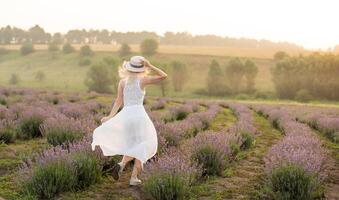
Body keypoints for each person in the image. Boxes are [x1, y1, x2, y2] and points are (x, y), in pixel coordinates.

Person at [91, 55, 167, 186]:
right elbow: (163, 76)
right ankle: (133, 177)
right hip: (139, 116)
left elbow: (118, 101)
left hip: (126, 116)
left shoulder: (122, 82)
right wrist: (150, 65)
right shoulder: (143, 80)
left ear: (129, 68)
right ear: (141, 69)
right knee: (142, 145)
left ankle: (121, 165)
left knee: (133, 144)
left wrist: (110, 116)